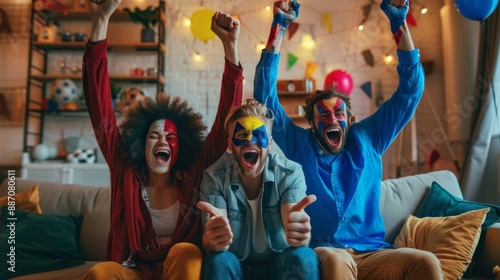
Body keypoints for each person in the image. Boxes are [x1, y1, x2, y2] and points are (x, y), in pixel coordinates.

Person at [254, 0, 443, 279]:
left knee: (425, 262)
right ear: (311, 123)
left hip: (374, 251)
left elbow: (410, 91)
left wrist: (398, 20)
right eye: (323, 114)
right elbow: (265, 97)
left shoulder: (368, 138)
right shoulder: (298, 144)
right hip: (326, 252)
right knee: (334, 258)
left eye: (338, 113)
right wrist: (279, 25)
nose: (332, 119)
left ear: (350, 120)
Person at [83, 0, 243, 279]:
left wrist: (230, 47)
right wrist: (100, 21)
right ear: (140, 145)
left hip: (178, 268)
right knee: (99, 273)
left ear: (180, 146)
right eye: (153, 136)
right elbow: (101, 112)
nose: (162, 142)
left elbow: (223, 125)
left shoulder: (194, 172)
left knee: (185, 252)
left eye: (170, 137)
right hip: (131, 270)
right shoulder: (125, 170)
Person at [197, 99, 320, 280]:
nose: (249, 140)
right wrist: (214, 240)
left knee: (304, 256)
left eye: (258, 135)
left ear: (269, 143)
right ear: (230, 145)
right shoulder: (215, 177)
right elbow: (211, 243)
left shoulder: (290, 173)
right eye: (242, 135)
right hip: (237, 264)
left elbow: (291, 217)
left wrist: (299, 233)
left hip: (278, 263)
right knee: (218, 261)